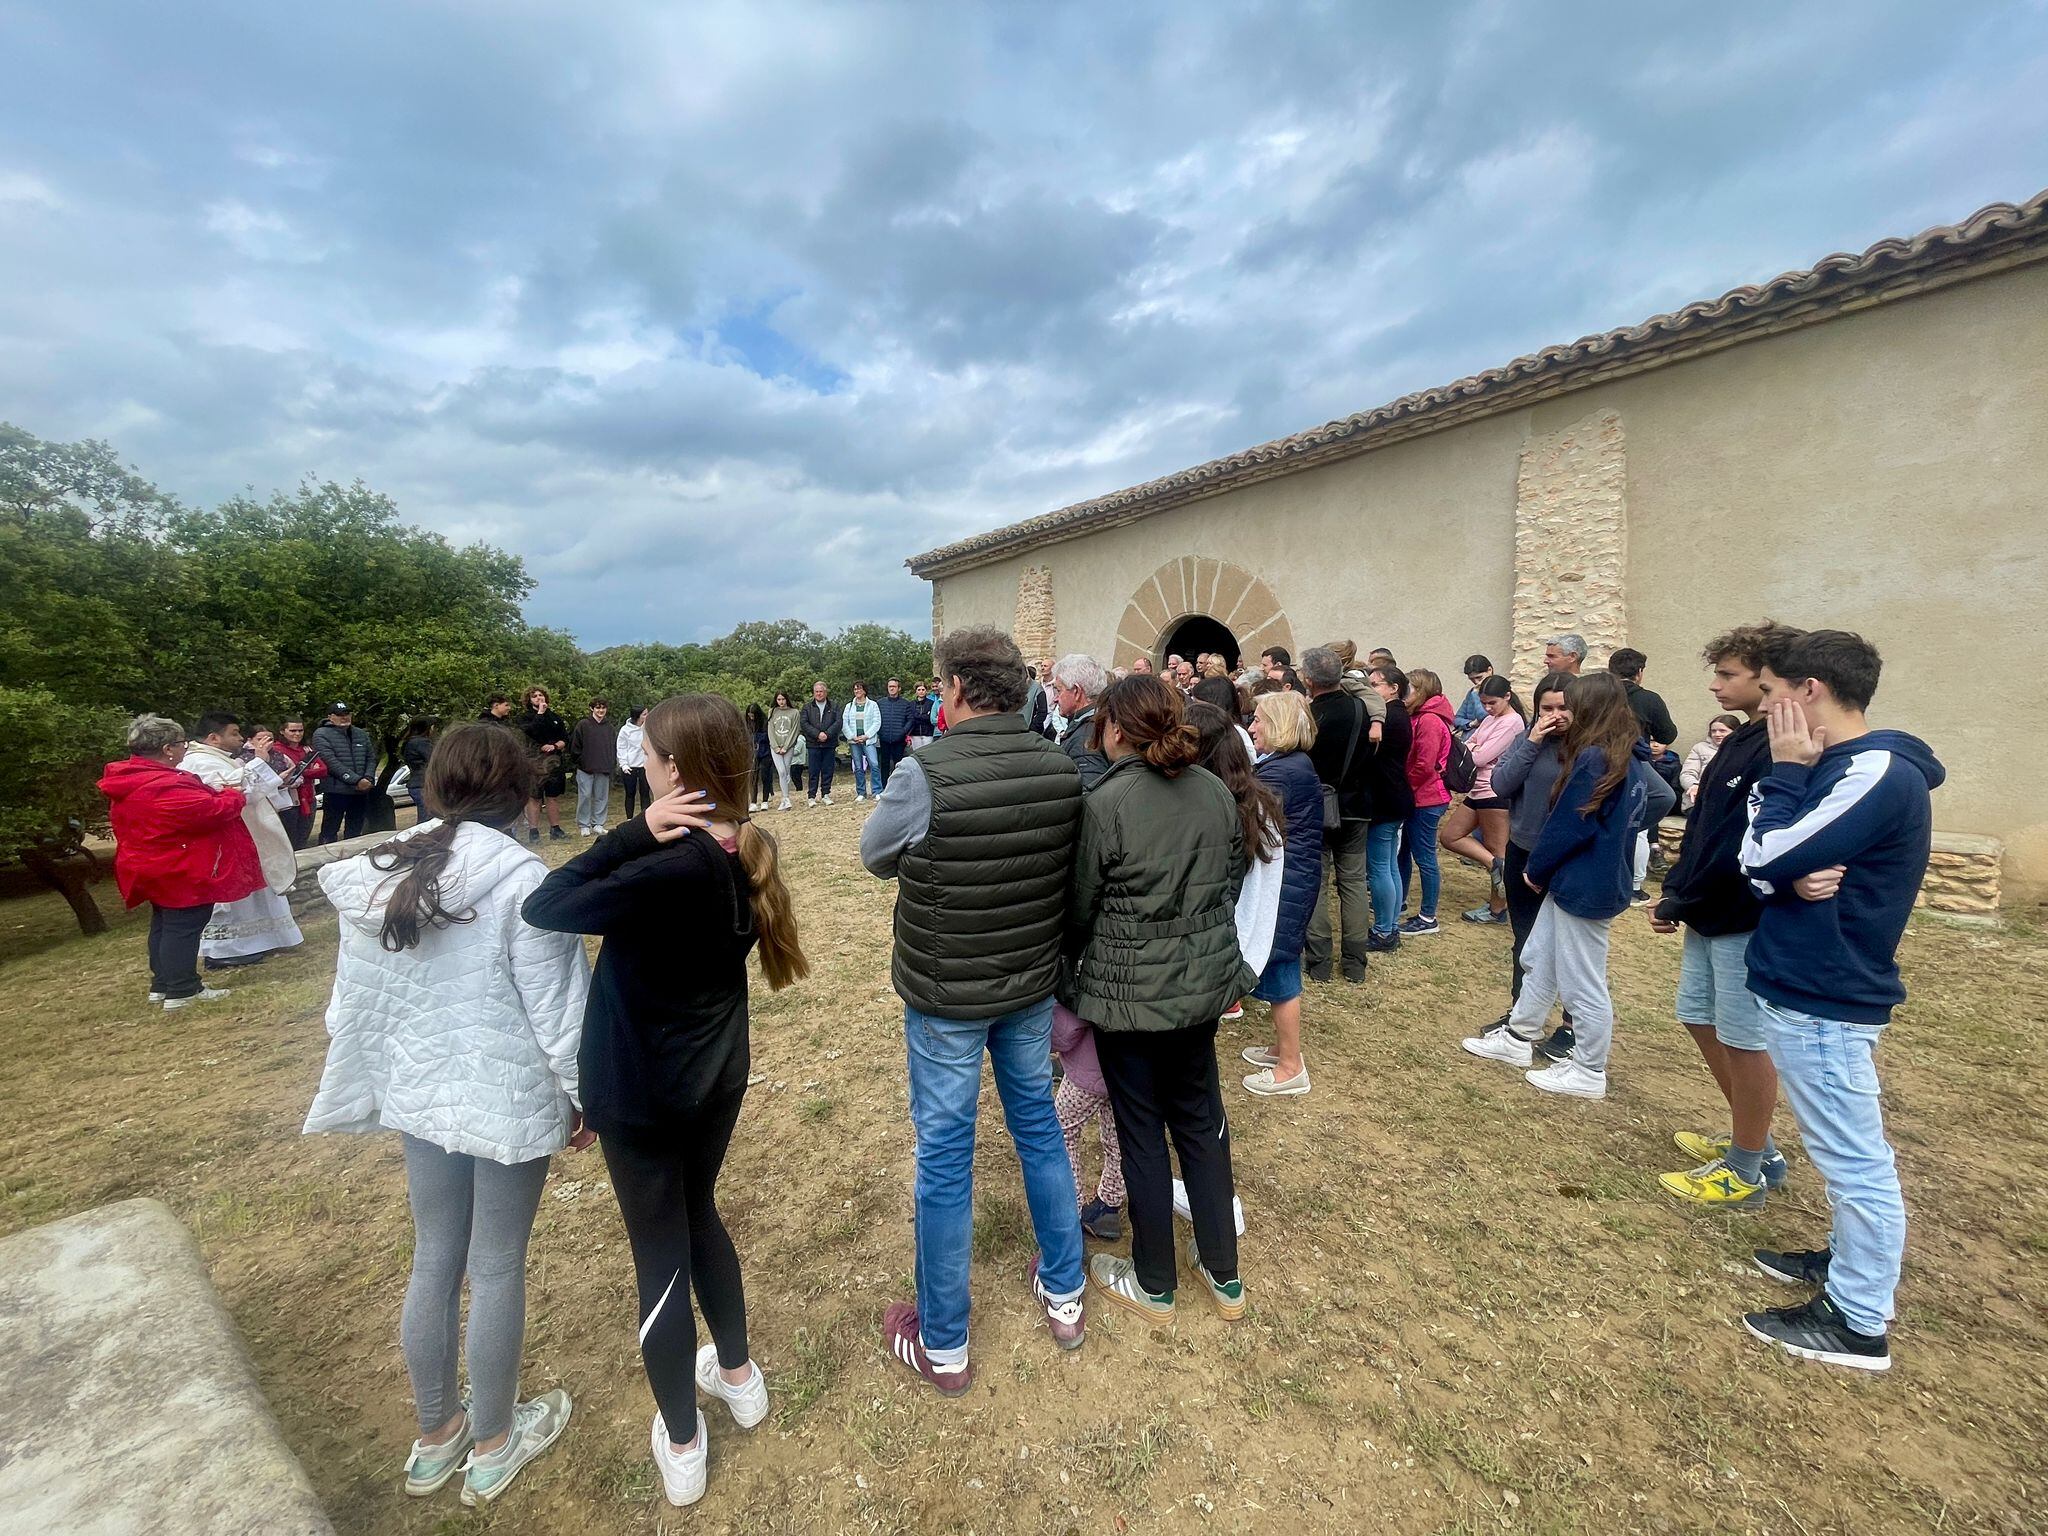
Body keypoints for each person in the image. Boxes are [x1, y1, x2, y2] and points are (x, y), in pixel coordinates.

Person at [524, 693, 808, 1500]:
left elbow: (544, 905)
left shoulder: (666, 864)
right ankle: (740, 1377)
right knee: (698, 1216)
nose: (636, 767)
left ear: (676, 770)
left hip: (646, 1092)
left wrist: (632, 831)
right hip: (715, 1080)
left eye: (645, 757)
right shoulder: (738, 846)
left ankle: (683, 1442)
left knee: (660, 1250)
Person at [304, 722, 591, 1508]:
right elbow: (562, 1016)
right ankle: (495, 1442)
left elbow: (345, 1007)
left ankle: (439, 1436)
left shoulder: (381, 871)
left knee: (436, 1256)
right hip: (502, 1099)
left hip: (420, 1095)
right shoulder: (525, 881)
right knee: (493, 1265)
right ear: (523, 792)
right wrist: (585, 1097)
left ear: (435, 788)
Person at [859, 625, 1087, 1390]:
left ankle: (945, 1343)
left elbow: (876, 855)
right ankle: (1065, 1290)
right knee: (1039, 1130)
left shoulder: (924, 772)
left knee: (947, 1156)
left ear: (955, 687)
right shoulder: (1059, 766)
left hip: (950, 995)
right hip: (1024, 985)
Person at [1735, 630, 1941, 1374]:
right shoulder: (1840, 766)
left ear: (1809, 691)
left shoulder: (1875, 771)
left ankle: (1858, 1322)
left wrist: (1785, 802)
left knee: (1855, 1160)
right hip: (1804, 979)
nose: (1765, 710)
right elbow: (1758, 866)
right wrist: (1783, 869)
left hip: (1828, 988)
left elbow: (1764, 852)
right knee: (1840, 1148)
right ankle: (1845, 1264)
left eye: (1770, 694)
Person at [1068, 675, 1255, 1325]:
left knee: (1145, 1131)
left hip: (1133, 997)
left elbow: (1079, 905)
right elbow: (1227, 880)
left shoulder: (1108, 802)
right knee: (1200, 1123)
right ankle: (1222, 1270)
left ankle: (1158, 1281)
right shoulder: (1211, 792)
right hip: (1194, 990)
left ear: (1114, 728)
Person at [1459, 673, 1672, 1099]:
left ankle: (1589, 1070)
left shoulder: (1597, 758)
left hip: (1583, 881)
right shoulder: (1614, 753)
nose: (1562, 714)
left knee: (1581, 978)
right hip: (1572, 876)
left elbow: (1568, 824)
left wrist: (1536, 868)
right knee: (1540, 956)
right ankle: (1519, 1037)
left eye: (1571, 704)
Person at [1650, 624, 1802, 1210]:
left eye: (1727, 674)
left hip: (1743, 912)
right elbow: (1706, 828)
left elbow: (1745, 842)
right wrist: (1679, 890)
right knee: (1697, 1016)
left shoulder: (1779, 748)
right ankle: (1754, 1143)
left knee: (1744, 1038)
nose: (1715, 686)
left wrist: (1683, 895)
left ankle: (1745, 1169)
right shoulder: (1743, 739)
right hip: (1707, 910)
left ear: (1767, 679)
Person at [100, 714, 261, 1009]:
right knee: (183, 925)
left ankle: (162, 984)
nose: (185, 749)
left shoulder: (134, 777)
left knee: (165, 923)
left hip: (154, 860)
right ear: (167, 749)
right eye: (180, 744)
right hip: (176, 864)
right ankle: (182, 989)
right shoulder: (160, 783)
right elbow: (207, 811)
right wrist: (231, 795)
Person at [1478, 674, 1576, 1054]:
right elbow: (1501, 785)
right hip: (1522, 850)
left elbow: (1655, 795)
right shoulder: (1528, 740)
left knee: (1567, 947)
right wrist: (1533, 741)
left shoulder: (1591, 748)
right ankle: (1521, 1014)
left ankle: (1570, 1025)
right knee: (1526, 940)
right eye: (1546, 708)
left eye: (1562, 707)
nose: (1554, 715)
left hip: (1565, 858)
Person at [1238, 691, 1323, 1096]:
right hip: (1292, 876)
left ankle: (1291, 1066)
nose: (1252, 727)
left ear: (1280, 726)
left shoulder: (1281, 773)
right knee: (1278, 958)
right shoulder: (1290, 764)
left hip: (1286, 881)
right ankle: (1281, 1048)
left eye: (1259, 720)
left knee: (1283, 965)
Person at [181, 713, 303, 968]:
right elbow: (227, 793)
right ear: (214, 737)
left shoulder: (219, 759)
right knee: (232, 898)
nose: (240, 739)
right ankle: (225, 949)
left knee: (256, 893)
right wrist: (258, 762)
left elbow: (249, 790)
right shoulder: (197, 762)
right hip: (222, 842)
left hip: (244, 836)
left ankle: (259, 941)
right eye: (234, 733)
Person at [1300, 646, 1374, 984]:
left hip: (1318, 805)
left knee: (1316, 882)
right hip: (1356, 805)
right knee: (1354, 882)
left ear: (1309, 679)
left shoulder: (1307, 715)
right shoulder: (1362, 709)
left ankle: (1319, 962)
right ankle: (1355, 963)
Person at [1445, 677, 1526, 924]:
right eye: (1483, 703)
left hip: (1494, 791)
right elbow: (1469, 745)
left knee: (1497, 848)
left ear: (1508, 697)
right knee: (1450, 836)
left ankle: (1497, 909)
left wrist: (1472, 749)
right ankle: (1495, 866)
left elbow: (1480, 757)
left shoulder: (1513, 722)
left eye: (1492, 703)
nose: (1488, 708)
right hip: (1476, 789)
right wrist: (1473, 749)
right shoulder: (1491, 719)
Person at [1609, 648, 1679, 902]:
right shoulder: (1648, 699)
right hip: (1630, 759)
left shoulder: (1599, 692)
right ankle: (1626, 826)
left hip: (1592, 757)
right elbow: (1668, 735)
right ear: (1639, 673)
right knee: (1664, 796)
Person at [1396, 668, 1454, 936]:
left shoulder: (1429, 720)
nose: (1404, 693)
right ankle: (1400, 901)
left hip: (1426, 798)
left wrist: (1403, 787)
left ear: (1421, 691)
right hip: (1418, 795)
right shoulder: (1420, 716)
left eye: (1409, 688)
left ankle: (1428, 916)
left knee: (1425, 857)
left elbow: (1424, 765)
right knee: (1403, 853)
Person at [1363, 665, 1415, 951]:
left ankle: (1384, 930)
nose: (1371, 689)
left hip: (1385, 797)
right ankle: (1390, 925)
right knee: (1389, 864)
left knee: (1381, 866)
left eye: (1376, 684)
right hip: (1394, 795)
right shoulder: (1396, 714)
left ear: (1393, 688)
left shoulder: (1390, 717)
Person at [312, 701, 379, 844]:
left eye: (347, 714)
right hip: (336, 791)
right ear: (330, 717)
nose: (344, 717)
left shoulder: (360, 733)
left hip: (361, 791)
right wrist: (355, 780)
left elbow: (371, 758)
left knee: (355, 829)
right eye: (339, 715)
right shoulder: (321, 734)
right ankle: (326, 859)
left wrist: (368, 778)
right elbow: (330, 761)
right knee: (330, 829)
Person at [1050, 653, 1110, 790]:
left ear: (1076, 691)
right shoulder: (1101, 721)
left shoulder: (1086, 737)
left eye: (1058, 690)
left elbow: (1088, 792)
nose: (1055, 699)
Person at [519, 687, 570, 842]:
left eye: (541, 695)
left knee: (552, 796)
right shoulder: (525, 718)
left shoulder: (554, 717)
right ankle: (533, 831)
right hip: (534, 762)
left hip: (554, 762)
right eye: (534, 696)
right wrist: (540, 713)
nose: (538, 698)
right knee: (534, 797)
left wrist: (555, 746)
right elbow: (531, 732)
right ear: (529, 700)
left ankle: (555, 829)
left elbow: (564, 738)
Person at [269, 716, 323, 848]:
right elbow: (284, 777)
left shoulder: (306, 749)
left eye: (300, 730)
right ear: (282, 731)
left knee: (303, 838)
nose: (297, 734)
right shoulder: (276, 750)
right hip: (289, 801)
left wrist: (302, 771)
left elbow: (323, 770)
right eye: (293, 731)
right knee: (290, 841)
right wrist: (309, 770)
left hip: (309, 797)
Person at [569, 698, 619, 836]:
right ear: (592, 709)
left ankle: (598, 824)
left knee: (601, 797)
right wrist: (581, 761)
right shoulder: (583, 725)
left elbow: (613, 748)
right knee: (585, 796)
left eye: (603, 708)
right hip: (585, 768)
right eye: (597, 708)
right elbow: (574, 747)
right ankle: (584, 825)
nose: (600, 710)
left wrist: (611, 763)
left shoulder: (609, 728)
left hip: (603, 767)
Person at [1680, 714, 1742, 809]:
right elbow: (1687, 773)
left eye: (1722, 731)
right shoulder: (1700, 748)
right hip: (1699, 801)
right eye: (1713, 731)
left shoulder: (1743, 750)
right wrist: (1694, 786)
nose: (1717, 734)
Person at [801, 681, 840, 807]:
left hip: (829, 743)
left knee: (828, 770)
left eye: (821, 691)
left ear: (825, 692)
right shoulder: (807, 707)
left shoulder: (834, 706)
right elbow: (804, 723)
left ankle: (825, 794)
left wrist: (827, 734)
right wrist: (817, 734)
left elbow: (838, 722)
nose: (818, 694)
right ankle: (811, 796)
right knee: (813, 771)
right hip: (813, 743)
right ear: (814, 692)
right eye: (816, 691)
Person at [843, 682, 882, 803]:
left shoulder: (873, 705)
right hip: (854, 741)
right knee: (858, 767)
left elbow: (877, 722)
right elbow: (844, 723)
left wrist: (867, 736)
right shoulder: (849, 706)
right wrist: (852, 736)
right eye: (855, 689)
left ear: (864, 690)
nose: (857, 691)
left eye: (859, 689)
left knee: (874, 764)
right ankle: (861, 792)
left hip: (868, 740)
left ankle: (877, 791)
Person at [877, 679, 917, 787]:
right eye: (890, 686)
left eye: (894, 686)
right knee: (884, 764)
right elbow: (875, 719)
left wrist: (903, 731)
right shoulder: (880, 703)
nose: (892, 688)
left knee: (898, 764)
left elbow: (910, 720)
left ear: (899, 688)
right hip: (884, 739)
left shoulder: (905, 704)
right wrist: (880, 732)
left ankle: (899, 787)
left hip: (899, 740)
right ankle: (884, 788)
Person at [766, 691, 801, 809]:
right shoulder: (772, 712)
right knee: (781, 771)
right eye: (779, 699)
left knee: (786, 771)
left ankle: (786, 798)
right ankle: (785, 798)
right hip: (775, 747)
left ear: (787, 699)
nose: (781, 702)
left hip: (788, 747)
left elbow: (794, 730)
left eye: (783, 699)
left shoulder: (794, 712)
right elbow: (770, 730)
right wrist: (775, 747)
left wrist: (786, 746)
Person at [617, 706, 650, 818]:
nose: (647, 716)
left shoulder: (648, 728)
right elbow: (621, 748)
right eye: (644, 714)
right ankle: (629, 818)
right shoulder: (625, 730)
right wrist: (624, 765)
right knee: (630, 794)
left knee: (645, 793)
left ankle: (645, 818)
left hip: (644, 766)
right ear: (637, 716)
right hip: (630, 767)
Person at [1453, 656, 1494, 736]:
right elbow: (1456, 719)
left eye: (1479, 677)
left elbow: (1483, 717)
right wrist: (1471, 724)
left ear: (1489, 671)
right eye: (1472, 679)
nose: (1476, 682)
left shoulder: (1499, 690)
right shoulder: (1471, 693)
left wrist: (1476, 694)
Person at [905, 682, 936, 753]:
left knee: (928, 753)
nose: (921, 691)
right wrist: (923, 716)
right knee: (917, 754)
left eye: (923, 689)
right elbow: (911, 718)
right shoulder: (911, 704)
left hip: (928, 733)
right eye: (919, 690)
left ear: (926, 691)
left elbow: (929, 718)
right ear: (916, 691)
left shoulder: (931, 703)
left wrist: (917, 716)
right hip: (915, 733)